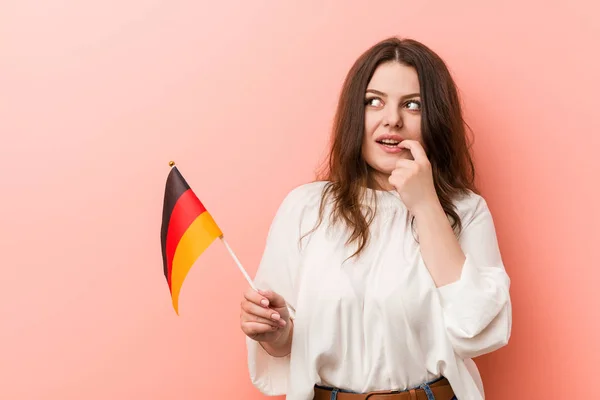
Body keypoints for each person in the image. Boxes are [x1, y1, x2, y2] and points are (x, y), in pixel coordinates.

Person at [239, 36, 512, 400]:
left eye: (412, 105)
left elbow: (476, 331)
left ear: (435, 118)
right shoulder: (306, 208)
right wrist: (275, 333)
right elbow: (284, 343)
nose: (392, 120)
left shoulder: (465, 210)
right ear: (356, 113)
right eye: (374, 102)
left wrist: (427, 205)